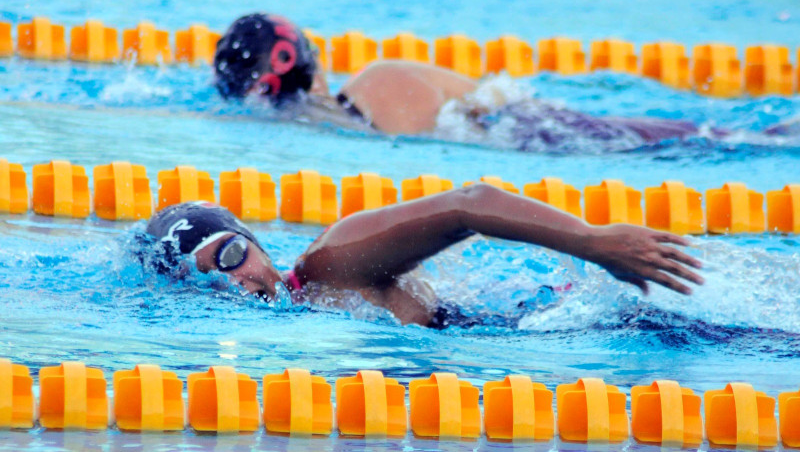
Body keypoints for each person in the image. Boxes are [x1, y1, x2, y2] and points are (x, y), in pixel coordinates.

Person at [143, 184, 703, 329]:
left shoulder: (331, 264)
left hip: (564, 322)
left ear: (259, 242)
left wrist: (592, 242)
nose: (237, 279)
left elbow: (469, 205)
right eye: (211, 277)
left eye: (234, 253)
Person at [212, 12, 726, 147]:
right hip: (545, 128)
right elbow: (498, 100)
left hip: (527, 136)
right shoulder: (384, 79)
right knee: (715, 137)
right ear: (307, 56)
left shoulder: (306, 133)